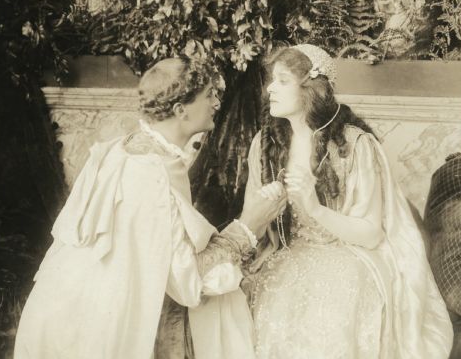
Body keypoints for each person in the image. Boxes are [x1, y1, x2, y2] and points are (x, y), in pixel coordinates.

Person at [14, 56, 286, 359]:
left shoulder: (124, 147)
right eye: (209, 94)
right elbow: (186, 281)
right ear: (181, 110)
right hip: (92, 327)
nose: (217, 103)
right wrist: (248, 226)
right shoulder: (152, 171)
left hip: (67, 310)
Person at [245, 44, 453, 358]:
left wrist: (314, 208)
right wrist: (264, 206)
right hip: (285, 256)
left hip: (348, 257)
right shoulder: (265, 144)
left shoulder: (355, 145)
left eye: (283, 81)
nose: (270, 89)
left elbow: (371, 233)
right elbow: (252, 228)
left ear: (311, 89)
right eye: (271, 80)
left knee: (330, 312)